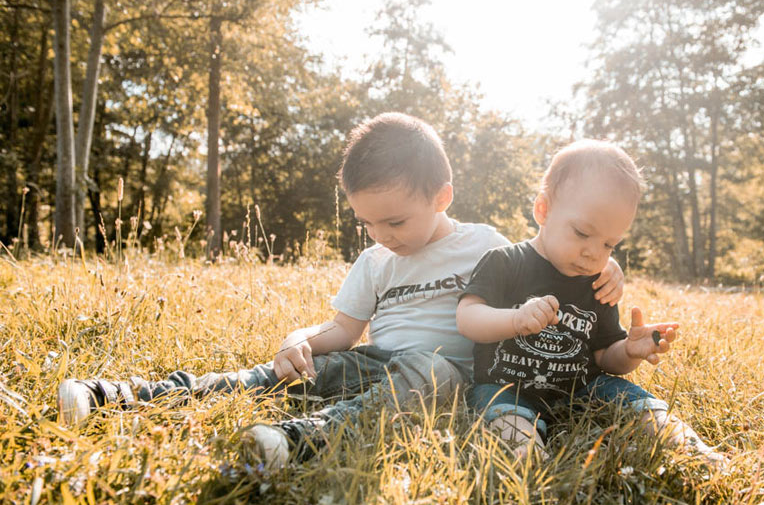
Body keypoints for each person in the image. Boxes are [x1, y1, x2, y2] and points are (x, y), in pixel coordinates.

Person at [56, 114, 625, 469]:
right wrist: (297, 337)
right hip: (375, 360)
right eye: (368, 224)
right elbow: (344, 332)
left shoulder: (487, 245)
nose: (381, 236)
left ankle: (302, 440)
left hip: (442, 376)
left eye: (395, 222)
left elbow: (558, 261)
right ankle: (120, 394)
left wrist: (610, 267)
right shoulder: (375, 260)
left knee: (433, 376)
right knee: (278, 375)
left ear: (442, 197)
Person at [458, 140, 726, 464]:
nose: (593, 253)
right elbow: (468, 317)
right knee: (503, 414)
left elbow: (604, 358)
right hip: (506, 388)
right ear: (543, 210)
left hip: (583, 390)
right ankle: (528, 459)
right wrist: (514, 321)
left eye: (609, 244)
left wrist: (628, 351)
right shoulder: (505, 261)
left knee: (632, 400)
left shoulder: (599, 281)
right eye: (582, 233)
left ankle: (689, 449)